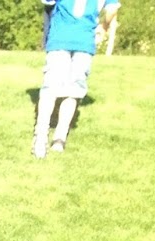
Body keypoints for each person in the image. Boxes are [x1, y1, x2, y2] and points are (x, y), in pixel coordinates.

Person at [32, 0, 120, 157]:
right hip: (85, 41)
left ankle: (40, 137)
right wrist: (104, 27)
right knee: (74, 91)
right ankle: (60, 138)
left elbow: (48, 5)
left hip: (59, 38)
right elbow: (112, 9)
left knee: (50, 89)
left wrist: (46, 33)